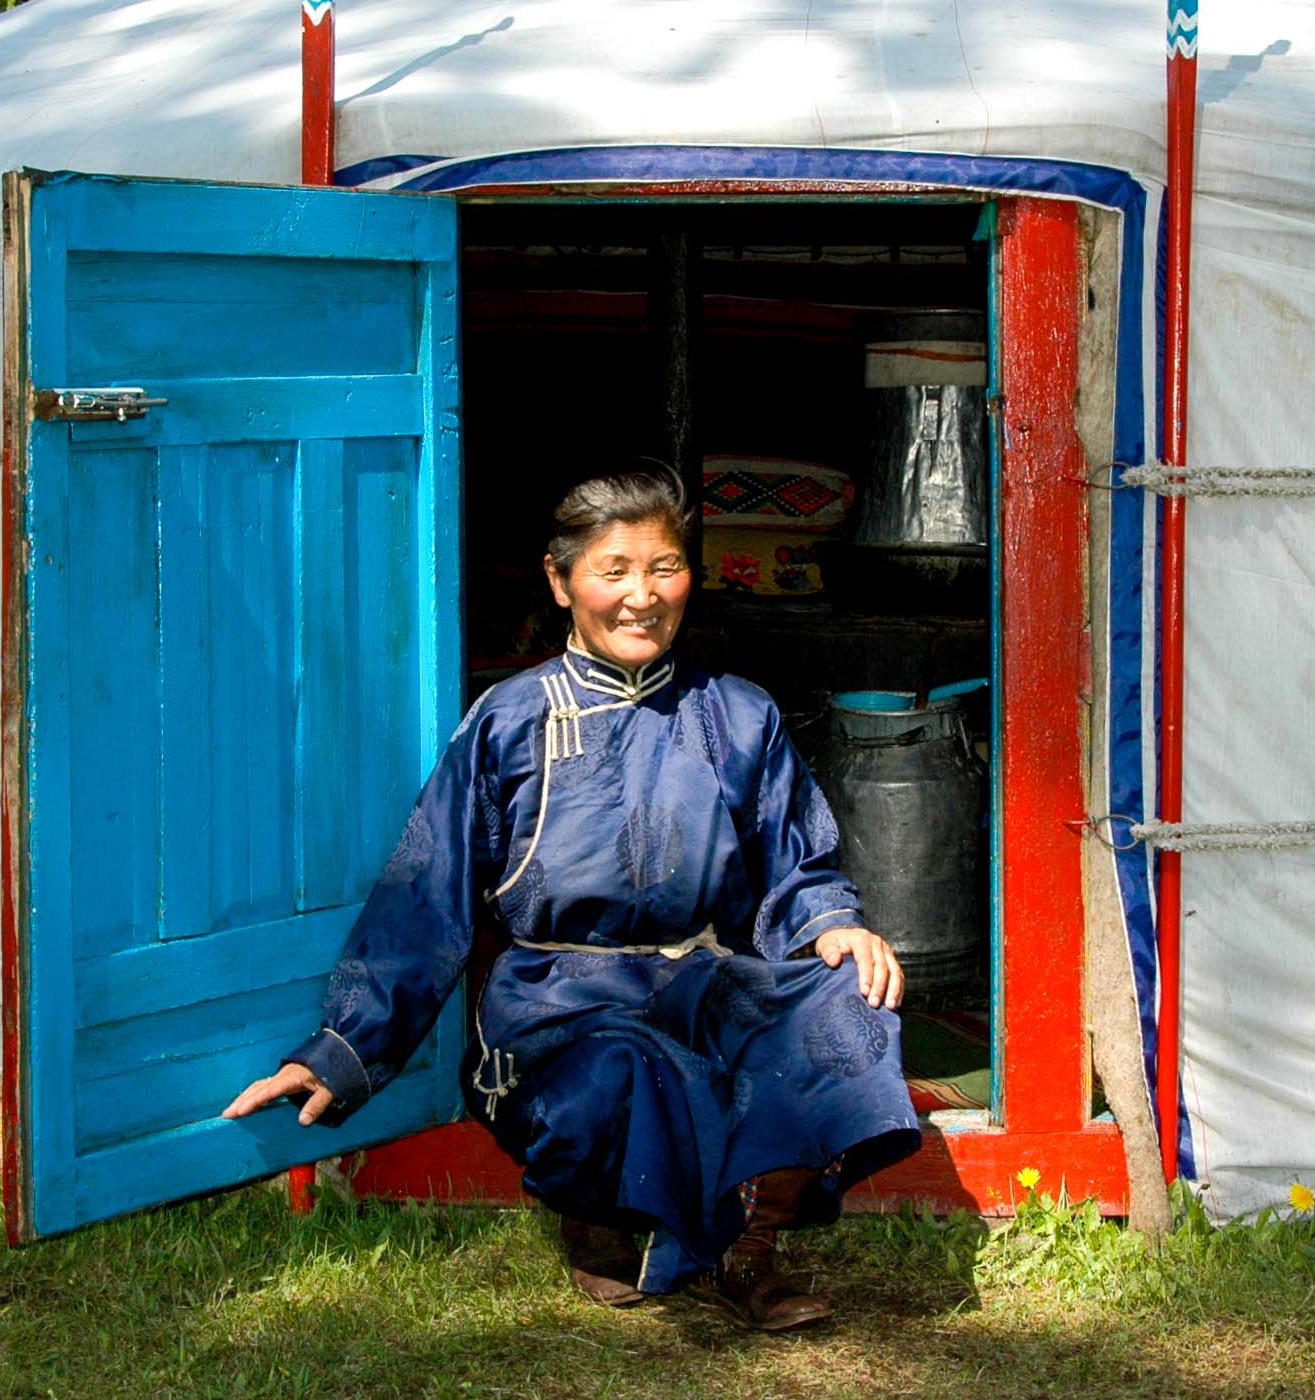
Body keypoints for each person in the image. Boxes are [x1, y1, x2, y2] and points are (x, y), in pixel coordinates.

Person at [224, 467, 919, 1331]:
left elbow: (793, 858)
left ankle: (751, 1252)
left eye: (664, 568)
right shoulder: (510, 721)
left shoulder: (738, 714)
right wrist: (342, 1049)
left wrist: (834, 926)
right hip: (560, 1002)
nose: (642, 596)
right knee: (626, 1073)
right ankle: (606, 1219)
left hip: (698, 977)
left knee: (845, 1004)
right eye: (614, 570)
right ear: (561, 583)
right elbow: (427, 891)